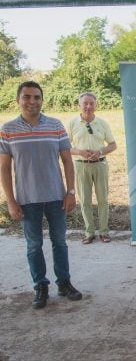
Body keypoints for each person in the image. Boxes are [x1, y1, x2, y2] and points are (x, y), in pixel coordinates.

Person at [0, 81, 82, 309]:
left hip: (56, 197)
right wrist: (11, 200)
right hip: (27, 200)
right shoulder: (8, 129)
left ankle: (64, 283)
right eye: (27, 97)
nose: (32, 101)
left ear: (42, 100)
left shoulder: (55, 125)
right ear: (18, 100)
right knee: (34, 245)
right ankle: (40, 286)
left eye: (36, 97)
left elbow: (67, 160)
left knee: (60, 242)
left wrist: (71, 192)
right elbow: (4, 168)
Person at [68, 92, 117, 244]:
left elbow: (113, 144)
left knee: (103, 200)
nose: (88, 106)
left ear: (96, 105)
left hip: (100, 165)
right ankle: (89, 232)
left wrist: (100, 152)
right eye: (85, 103)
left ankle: (104, 232)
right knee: (84, 201)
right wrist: (80, 152)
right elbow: (65, 146)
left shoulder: (102, 123)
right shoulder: (72, 124)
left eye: (91, 103)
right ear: (79, 105)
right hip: (81, 166)